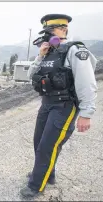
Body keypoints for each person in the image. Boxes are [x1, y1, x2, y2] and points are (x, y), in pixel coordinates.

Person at [20, 14, 98, 198]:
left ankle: (35, 185)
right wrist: (40, 56)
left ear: (63, 30)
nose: (46, 37)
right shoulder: (48, 52)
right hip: (46, 104)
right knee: (39, 142)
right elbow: (30, 75)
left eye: (50, 32)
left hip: (65, 105)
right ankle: (48, 174)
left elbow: (86, 82)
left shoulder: (75, 51)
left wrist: (86, 113)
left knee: (47, 146)